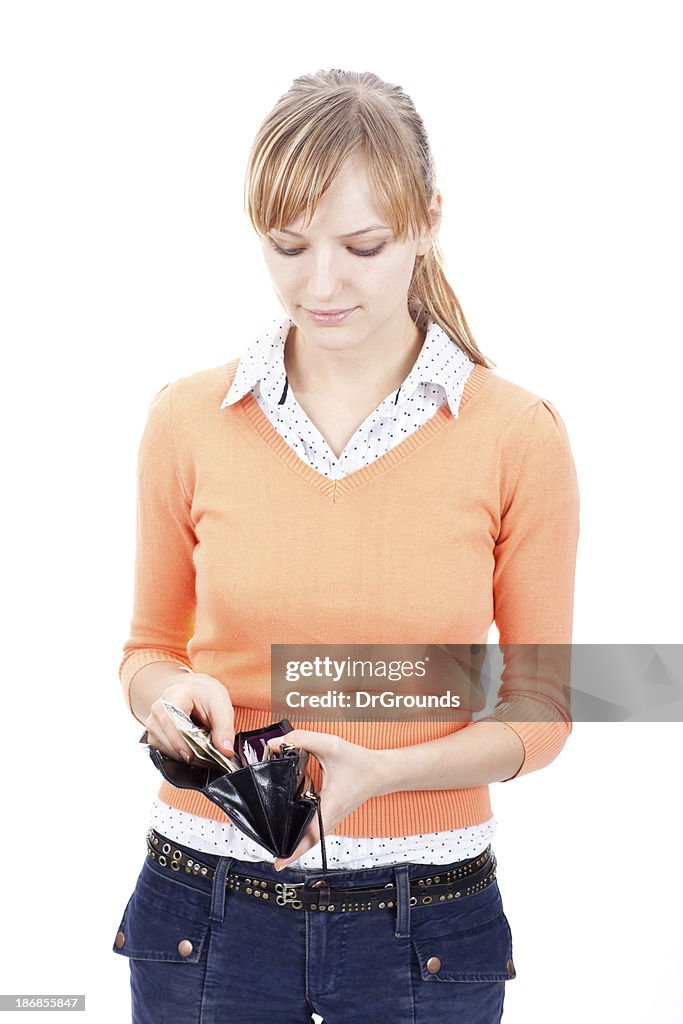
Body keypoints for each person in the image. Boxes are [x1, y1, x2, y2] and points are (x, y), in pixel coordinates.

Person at [112, 68, 580, 1024]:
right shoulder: (189, 419)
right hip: (204, 914)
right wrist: (167, 698)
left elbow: (543, 710)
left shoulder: (515, 435)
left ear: (428, 219)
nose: (319, 285)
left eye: (362, 246)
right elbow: (146, 649)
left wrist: (389, 775)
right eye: (287, 247)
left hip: (427, 932)